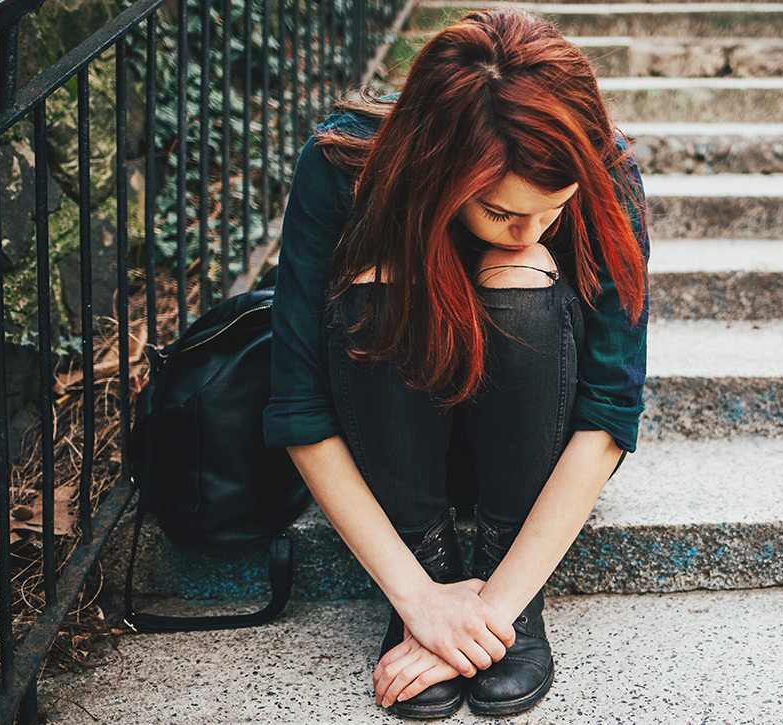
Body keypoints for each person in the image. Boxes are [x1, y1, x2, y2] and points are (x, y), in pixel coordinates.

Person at [263, 5, 649, 718]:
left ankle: (502, 565)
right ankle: (433, 558)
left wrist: (494, 610)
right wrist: (422, 601)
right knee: (381, 277)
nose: (530, 228)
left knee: (519, 272)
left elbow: (608, 413)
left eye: (553, 208)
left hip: (535, 453)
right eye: (503, 211)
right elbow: (299, 408)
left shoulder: (606, 170)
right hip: (391, 444)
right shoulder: (342, 165)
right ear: (441, 169)